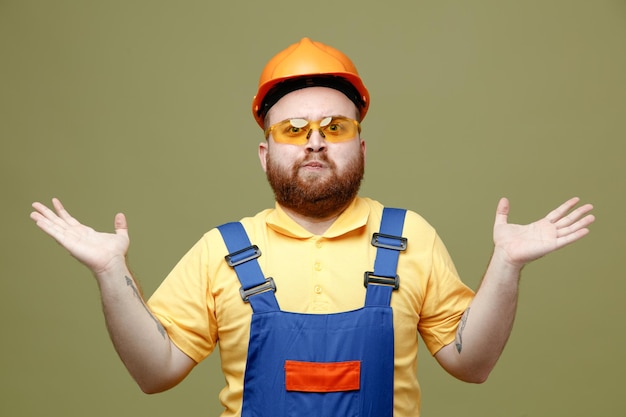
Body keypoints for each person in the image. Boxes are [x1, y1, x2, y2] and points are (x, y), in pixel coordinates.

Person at [30, 38, 595, 417]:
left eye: (335, 125)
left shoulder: (411, 236)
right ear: (263, 153)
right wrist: (110, 272)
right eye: (294, 128)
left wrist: (507, 265)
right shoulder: (223, 250)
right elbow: (155, 373)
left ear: (360, 145)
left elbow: (472, 365)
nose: (316, 140)